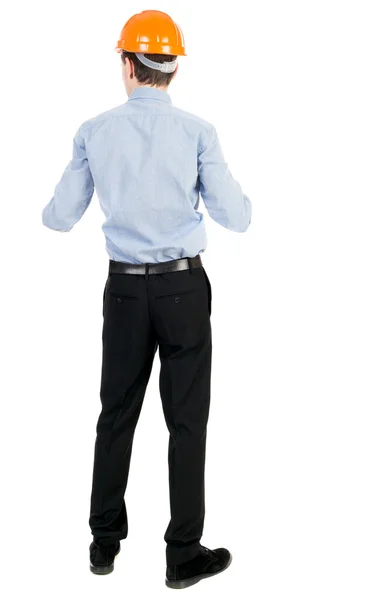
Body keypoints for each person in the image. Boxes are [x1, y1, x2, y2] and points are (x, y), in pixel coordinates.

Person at [42, 9, 251, 589]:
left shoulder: (93, 130)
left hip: (125, 292)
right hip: (184, 288)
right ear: (173, 68)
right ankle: (183, 554)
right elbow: (238, 218)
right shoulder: (200, 131)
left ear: (127, 62)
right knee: (187, 422)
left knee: (116, 414)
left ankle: (103, 544)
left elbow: (58, 219)